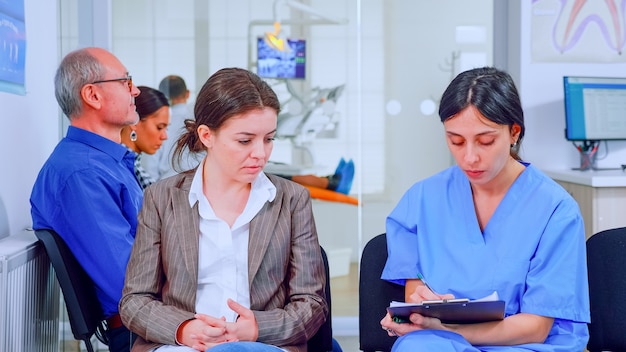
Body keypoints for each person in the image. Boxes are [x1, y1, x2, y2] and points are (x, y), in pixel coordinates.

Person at [379, 67, 590, 351]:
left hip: (523, 344)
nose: (469, 157)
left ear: (514, 132)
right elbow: (416, 298)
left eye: (485, 141)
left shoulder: (556, 211)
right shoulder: (422, 199)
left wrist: (449, 328)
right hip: (438, 341)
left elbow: (536, 328)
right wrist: (422, 316)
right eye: (456, 140)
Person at [119, 67, 327, 352]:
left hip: (260, 346)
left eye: (269, 139)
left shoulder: (291, 200)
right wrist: (184, 328)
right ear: (206, 135)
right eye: (245, 141)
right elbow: (135, 300)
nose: (260, 153)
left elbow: (311, 304)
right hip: (182, 347)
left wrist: (257, 328)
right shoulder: (161, 198)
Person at [30, 47, 143, 352]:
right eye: (125, 81)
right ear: (93, 95)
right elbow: (129, 285)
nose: (136, 89)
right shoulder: (82, 174)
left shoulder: (105, 164)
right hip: (142, 333)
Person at [141, 74, 197, 180]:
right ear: (188, 94)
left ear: (162, 96)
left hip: (165, 189)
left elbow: (150, 166)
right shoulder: (198, 119)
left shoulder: (156, 122)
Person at [120, 85, 170, 189]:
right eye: (159, 127)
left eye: (166, 129)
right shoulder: (121, 171)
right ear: (134, 122)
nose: (164, 136)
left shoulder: (134, 169)